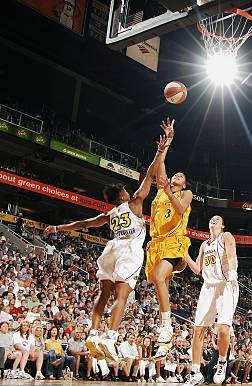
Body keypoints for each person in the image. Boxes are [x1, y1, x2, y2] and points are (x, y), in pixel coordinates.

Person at [44, 120, 174, 362]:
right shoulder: (134, 202)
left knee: (104, 294)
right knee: (121, 296)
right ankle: (110, 338)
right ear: (123, 195)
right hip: (129, 250)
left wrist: (57, 227)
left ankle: (94, 334)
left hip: (110, 248)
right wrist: (160, 149)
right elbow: (150, 173)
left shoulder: (108, 215)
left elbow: (82, 225)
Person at [144, 119, 193, 360]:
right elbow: (160, 164)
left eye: (181, 176)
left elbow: (181, 210)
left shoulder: (185, 193)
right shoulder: (162, 188)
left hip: (175, 240)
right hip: (156, 242)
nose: (177, 175)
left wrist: (171, 191)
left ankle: (166, 326)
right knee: (155, 278)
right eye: (176, 174)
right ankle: (165, 326)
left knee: (160, 276)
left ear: (184, 183)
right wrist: (167, 143)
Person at [180, 215, 238, 386]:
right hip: (208, 287)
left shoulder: (226, 236)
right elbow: (198, 270)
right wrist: (186, 255)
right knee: (198, 329)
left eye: (218, 219)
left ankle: (222, 361)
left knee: (222, 329)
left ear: (222, 225)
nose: (213, 220)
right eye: (211, 219)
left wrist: (233, 272)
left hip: (227, 284)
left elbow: (232, 254)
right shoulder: (204, 245)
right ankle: (196, 373)